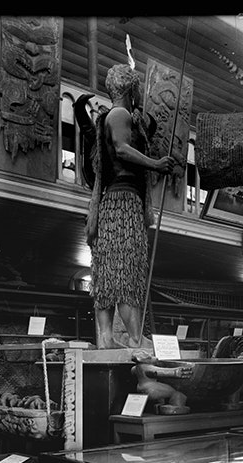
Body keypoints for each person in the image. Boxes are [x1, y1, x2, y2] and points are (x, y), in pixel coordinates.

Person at [86, 64, 176, 349]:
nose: (139, 94)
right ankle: (136, 340)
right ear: (130, 89)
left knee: (108, 274)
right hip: (123, 204)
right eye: (137, 89)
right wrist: (155, 164)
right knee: (126, 272)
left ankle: (107, 340)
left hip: (113, 204)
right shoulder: (119, 114)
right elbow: (122, 148)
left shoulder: (113, 116)